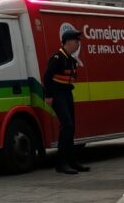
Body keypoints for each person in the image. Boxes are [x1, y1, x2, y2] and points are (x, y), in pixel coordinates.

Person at [43, 29, 90, 174]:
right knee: (67, 125)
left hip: (67, 93)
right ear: (68, 42)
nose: (78, 44)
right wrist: (49, 96)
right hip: (57, 95)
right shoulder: (57, 58)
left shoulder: (71, 59)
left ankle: (71, 161)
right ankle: (61, 164)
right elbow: (47, 77)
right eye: (76, 41)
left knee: (71, 127)